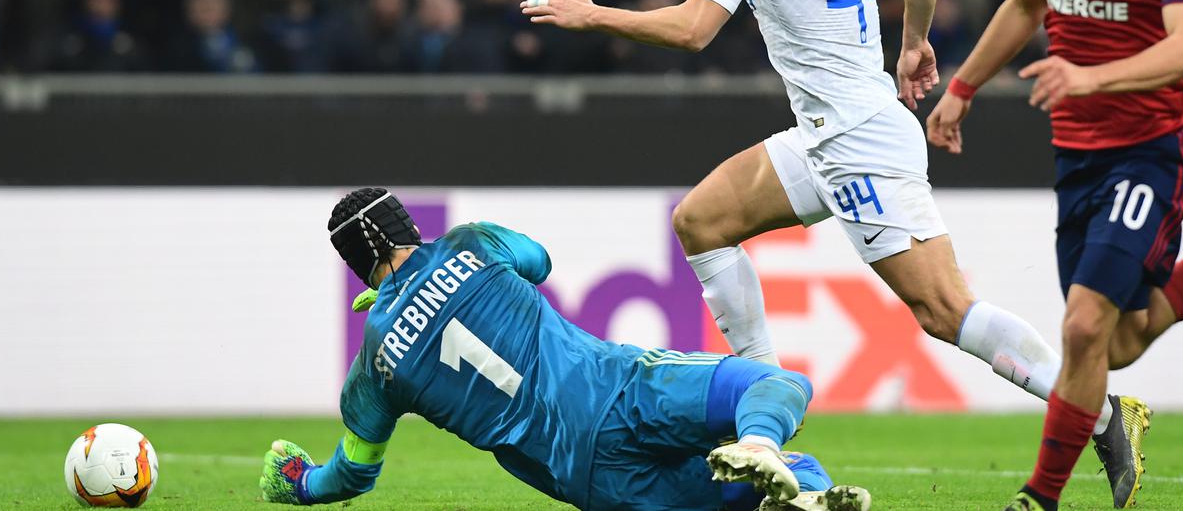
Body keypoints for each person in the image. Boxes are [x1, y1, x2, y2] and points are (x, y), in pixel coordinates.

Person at [519, 0, 1142, 507]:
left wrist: (590, 12)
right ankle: (766, 414)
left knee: (943, 309)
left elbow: (694, 30)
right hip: (828, 132)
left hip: (856, 143)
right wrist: (912, 43)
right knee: (702, 221)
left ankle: (1096, 409)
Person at [924, 0, 1183, 510]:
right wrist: (963, 86)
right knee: (1114, 341)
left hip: (1149, 153)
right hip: (1075, 157)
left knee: (1083, 325)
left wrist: (1087, 76)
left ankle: (1039, 498)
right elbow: (1027, 4)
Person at [256, 188, 872, 511]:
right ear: (406, 225)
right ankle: (762, 444)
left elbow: (353, 475)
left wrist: (299, 482)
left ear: (357, 267)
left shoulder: (375, 366)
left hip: (590, 476)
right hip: (618, 388)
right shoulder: (470, 243)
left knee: (750, 494)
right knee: (776, 388)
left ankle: (786, 491)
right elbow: (539, 261)